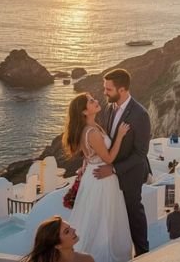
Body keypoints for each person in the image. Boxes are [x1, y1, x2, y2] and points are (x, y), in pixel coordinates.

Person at [63, 93, 133, 262]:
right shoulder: (92, 132)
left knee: (96, 217)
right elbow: (109, 158)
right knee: (103, 219)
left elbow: (89, 156)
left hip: (93, 176)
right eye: (91, 101)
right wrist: (120, 136)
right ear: (84, 112)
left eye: (93, 99)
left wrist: (83, 169)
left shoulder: (91, 127)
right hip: (101, 179)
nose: (95, 101)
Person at [93, 69, 152, 256]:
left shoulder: (140, 115)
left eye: (108, 89)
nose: (104, 93)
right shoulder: (110, 108)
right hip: (111, 171)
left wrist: (114, 169)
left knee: (133, 212)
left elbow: (141, 153)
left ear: (123, 89)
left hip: (131, 174)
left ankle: (143, 253)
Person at [21, 216, 94, 262]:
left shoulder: (87, 259)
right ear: (57, 245)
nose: (74, 230)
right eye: (67, 231)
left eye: (69, 227)